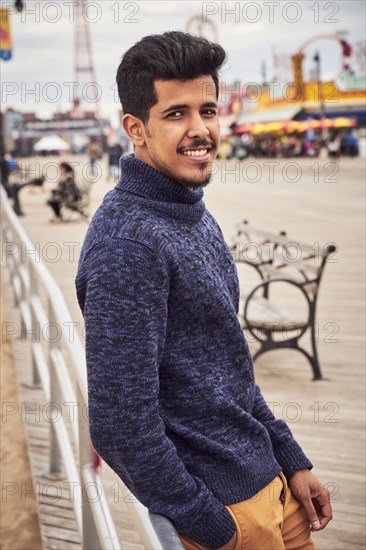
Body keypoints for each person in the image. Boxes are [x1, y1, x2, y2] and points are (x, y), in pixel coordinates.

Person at [76, 32, 332, 550]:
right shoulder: (129, 243)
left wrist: (291, 458)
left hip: (272, 487)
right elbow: (121, 423)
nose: (200, 130)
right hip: (225, 514)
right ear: (136, 128)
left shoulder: (190, 211)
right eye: (176, 114)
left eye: (208, 110)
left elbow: (227, 365)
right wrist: (210, 524)